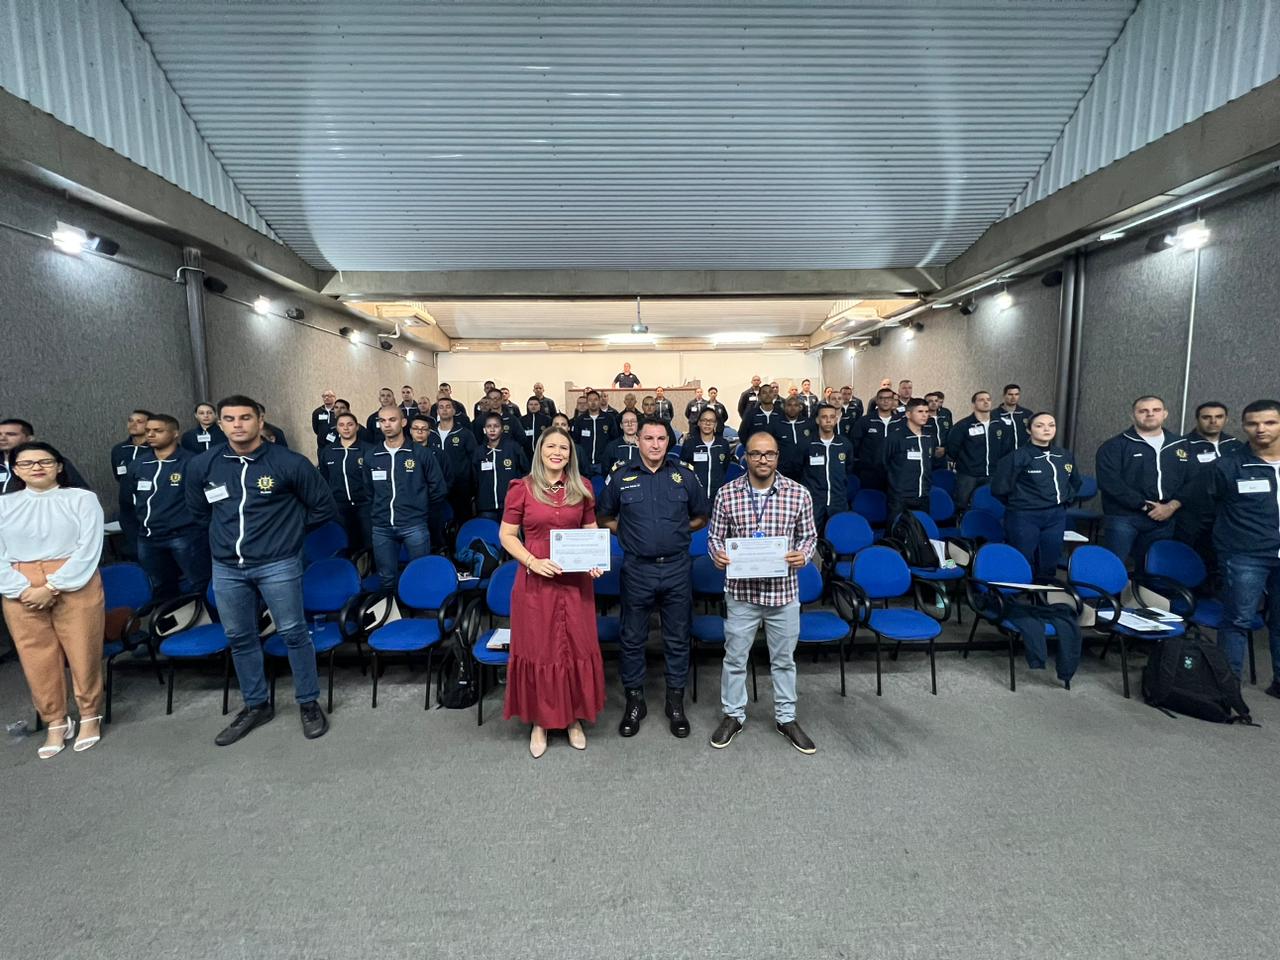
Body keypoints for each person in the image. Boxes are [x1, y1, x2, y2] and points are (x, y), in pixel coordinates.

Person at [185, 395, 337, 745]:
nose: (237, 425)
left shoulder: (289, 463)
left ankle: (308, 702)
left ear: (260, 421)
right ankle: (256, 704)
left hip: (277, 563)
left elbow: (323, 506)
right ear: (220, 424)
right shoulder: (203, 465)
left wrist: (288, 534)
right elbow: (198, 511)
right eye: (229, 419)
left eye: (245, 418)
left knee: (293, 633)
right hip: (227, 567)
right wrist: (224, 539)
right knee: (240, 637)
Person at [597, 419, 710, 739]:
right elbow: (604, 517)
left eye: (661, 438)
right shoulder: (622, 477)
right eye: (649, 438)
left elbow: (701, 516)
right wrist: (629, 533)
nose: (656, 444)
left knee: (677, 637)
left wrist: (678, 531)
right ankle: (635, 701)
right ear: (638, 440)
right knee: (632, 637)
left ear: (668, 442)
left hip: (676, 568)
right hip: (637, 569)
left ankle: (675, 702)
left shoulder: (684, 475)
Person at [707, 429, 818, 754]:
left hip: (783, 594)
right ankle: (733, 715)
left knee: (783, 661)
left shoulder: (798, 494)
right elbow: (714, 537)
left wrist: (803, 555)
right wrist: (717, 554)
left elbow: (809, 536)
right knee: (735, 658)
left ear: (777, 457)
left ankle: (786, 718)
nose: (763, 459)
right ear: (746, 457)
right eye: (756, 453)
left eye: (769, 453)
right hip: (741, 594)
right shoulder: (727, 494)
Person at [499, 426, 607, 756]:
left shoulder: (582, 487)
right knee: (541, 650)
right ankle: (540, 722)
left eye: (564, 447)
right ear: (540, 451)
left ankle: (573, 719)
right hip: (535, 582)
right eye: (551, 446)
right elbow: (507, 535)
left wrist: (594, 560)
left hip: (575, 584)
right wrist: (532, 561)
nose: (557, 452)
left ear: (571, 454)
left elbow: (590, 530)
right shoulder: (522, 488)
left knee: (575, 647)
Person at [0, 442, 106, 758]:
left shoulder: (82, 499)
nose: (36, 467)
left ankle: (89, 714)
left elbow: (89, 547)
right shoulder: (4, 504)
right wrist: (22, 588)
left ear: (59, 466)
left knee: (83, 651)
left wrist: (53, 585)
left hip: (74, 580)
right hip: (19, 583)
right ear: (15, 470)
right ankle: (56, 720)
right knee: (36, 658)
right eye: (27, 463)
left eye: (45, 461)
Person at [1211, 399, 1280, 693]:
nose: (1260, 429)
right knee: (1237, 621)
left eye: (1270, 422)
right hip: (1245, 555)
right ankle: (1227, 691)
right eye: (1253, 423)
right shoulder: (1229, 465)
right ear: (1243, 426)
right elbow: (1211, 504)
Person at [1096, 395, 1191, 566]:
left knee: (1154, 570)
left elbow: (1191, 481)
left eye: (1156, 410)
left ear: (1165, 414)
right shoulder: (1114, 446)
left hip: (1165, 518)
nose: (1150, 414)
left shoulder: (1181, 445)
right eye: (1143, 411)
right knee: (1113, 566)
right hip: (1124, 518)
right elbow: (1109, 482)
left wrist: (1171, 507)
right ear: (1132, 415)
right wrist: (1144, 505)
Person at [126, 415, 211, 599]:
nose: (150, 435)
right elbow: (126, 502)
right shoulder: (139, 464)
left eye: (158, 431)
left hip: (186, 536)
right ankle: (170, 618)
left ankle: (211, 617)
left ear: (175, 433)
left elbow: (206, 502)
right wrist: (133, 536)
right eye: (148, 431)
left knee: (200, 584)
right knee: (160, 588)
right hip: (148, 539)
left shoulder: (192, 462)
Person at [363, 406, 448, 589]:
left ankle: (419, 608)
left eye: (392, 420)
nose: (387, 425)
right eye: (382, 421)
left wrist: (419, 508)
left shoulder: (421, 454)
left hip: (414, 524)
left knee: (420, 576)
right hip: (382, 527)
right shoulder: (372, 456)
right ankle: (391, 608)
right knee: (386, 579)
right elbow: (369, 491)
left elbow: (438, 488)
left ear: (403, 422)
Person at [990, 412, 1081, 581]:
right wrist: (1023, 502)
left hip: (1056, 516)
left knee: (1049, 561)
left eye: (1051, 425)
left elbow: (1075, 482)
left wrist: (1065, 501)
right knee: (1022, 561)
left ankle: (1042, 595)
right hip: (1024, 516)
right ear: (1029, 430)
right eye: (1039, 425)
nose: (1047, 429)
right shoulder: (1017, 456)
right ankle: (1017, 595)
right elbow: (999, 489)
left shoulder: (1064, 455)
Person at [1177, 401, 1243, 570]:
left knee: (1220, 563)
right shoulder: (1181, 445)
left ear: (1226, 419)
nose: (1213, 421)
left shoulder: (1236, 445)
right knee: (1190, 562)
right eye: (1207, 417)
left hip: (1227, 515)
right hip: (1192, 515)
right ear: (1197, 419)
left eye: (1219, 417)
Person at [945, 391, 1012, 509]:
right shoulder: (963, 425)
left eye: (988, 399)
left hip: (992, 474)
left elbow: (1005, 447)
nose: (986, 402)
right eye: (981, 400)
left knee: (990, 505)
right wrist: (965, 463)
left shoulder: (1000, 424)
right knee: (961, 505)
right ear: (973, 404)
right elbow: (952, 448)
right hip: (968, 475)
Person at [319, 412, 373, 554]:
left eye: (350, 424)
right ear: (337, 428)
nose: (346, 428)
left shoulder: (368, 450)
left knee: (369, 544)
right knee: (346, 545)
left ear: (357, 427)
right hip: (340, 506)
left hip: (365, 505)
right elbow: (324, 479)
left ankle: (371, 567)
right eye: (341, 425)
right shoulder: (328, 451)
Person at [801, 404, 855, 535]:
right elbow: (798, 469)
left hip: (838, 501)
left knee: (839, 537)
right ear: (817, 420)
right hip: (814, 502)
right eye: (824, 417)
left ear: (836, 420)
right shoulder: (807, 444)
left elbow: (848, 469)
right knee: (812, 538)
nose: (828, 420)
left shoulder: (844, 444)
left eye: (832, 417)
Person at [109, 409, 153, 560]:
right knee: (135, 551)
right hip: (128, 510)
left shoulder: (155, 449)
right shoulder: (119, 449)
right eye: (130, 420)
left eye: (139, 421)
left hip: (152, 508)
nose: (133, 424)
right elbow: (118, 476)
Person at [883, 398, 936, 522]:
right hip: (900, 496)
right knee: (896, 529)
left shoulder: (929, 437)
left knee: (921, 529)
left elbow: (930, 461)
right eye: (920, 411)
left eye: (926, 411)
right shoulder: (895, 437)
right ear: (908, 414)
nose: (924, 415)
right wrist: (895, 483)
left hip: (923, 495)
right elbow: (883, 463)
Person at [0, 419, 88, 493]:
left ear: (29, 439)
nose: (2, 438)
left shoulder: (51, 462)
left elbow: (79, 491)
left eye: (11, 434)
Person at [428, 398, 478, 523]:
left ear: (454, 411)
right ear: (437, 411)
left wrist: (473, 486)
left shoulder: (465, 433)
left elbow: (474, 460)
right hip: (435, 486)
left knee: (462, 520)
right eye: (441, 407)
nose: (444, 410)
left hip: (460, 486)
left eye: (448, 406)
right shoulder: (430, 433)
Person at [473, 413, 530, 521]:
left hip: (511, 505)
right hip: (486, 506)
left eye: (496, 426)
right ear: (484, 429)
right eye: (489, 426)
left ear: (502, 429)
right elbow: (474, 479)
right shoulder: (479, 452)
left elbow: (526, 472)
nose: (492, 430)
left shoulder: (513, 448)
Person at [848, 387, 900, 492]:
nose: (885, 401)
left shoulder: (900, 422)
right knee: (871, 499)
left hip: (895, 472)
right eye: (882, 398)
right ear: (877, 401)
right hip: (870, 472)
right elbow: (854, 444)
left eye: (889, 398)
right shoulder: (865, 421)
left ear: (893, 401)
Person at [680, 407, 732, 501]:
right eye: (704, 420)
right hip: (695, 498)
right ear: (699, 422)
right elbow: (683, 470)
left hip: (717, 498)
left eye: (711, 421)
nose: (707, 423)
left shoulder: (723, 444)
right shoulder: (690, 444)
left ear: (715, 424)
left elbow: (725, 467)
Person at [571, 390, 616, 476]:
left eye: (595, 399)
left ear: (599, 401)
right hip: (584, 463)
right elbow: (575, 441)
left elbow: (614, 440)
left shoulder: (609, 419)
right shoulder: (580, 420)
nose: (593, 402)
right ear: (587, 402)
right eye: (590, 400)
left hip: (603, 464)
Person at [775, 395, 814, 482]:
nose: (792, 408)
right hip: (783, 470)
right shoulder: (776, 424)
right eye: (789, 405)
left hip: (805, 470)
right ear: (784, 407)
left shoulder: (808, 423)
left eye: (796, 405)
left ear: (800, 407)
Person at [998, 384, 1034, 449]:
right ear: (1004, 395)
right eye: (1010, 394)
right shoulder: (994, 415)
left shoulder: (1027, 414)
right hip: (1003, 454)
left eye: (1016, 394)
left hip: (1024, 452)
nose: (1013, 397)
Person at [925, 391, 953, 469]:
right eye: (930, 401)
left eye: (936, 401)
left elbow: (951, 435)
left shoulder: (945, 417)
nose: (934, 403)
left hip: (944, 455)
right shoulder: (923, 418)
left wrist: (945, 449)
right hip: (928, 455)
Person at [311, 389, 338, 455]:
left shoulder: (339, 411)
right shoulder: (317, 412)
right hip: (322, 446)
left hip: (337, 445)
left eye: (329, 396)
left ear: (334, 397)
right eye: (324, 396)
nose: (326, 398)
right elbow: (316, 429)